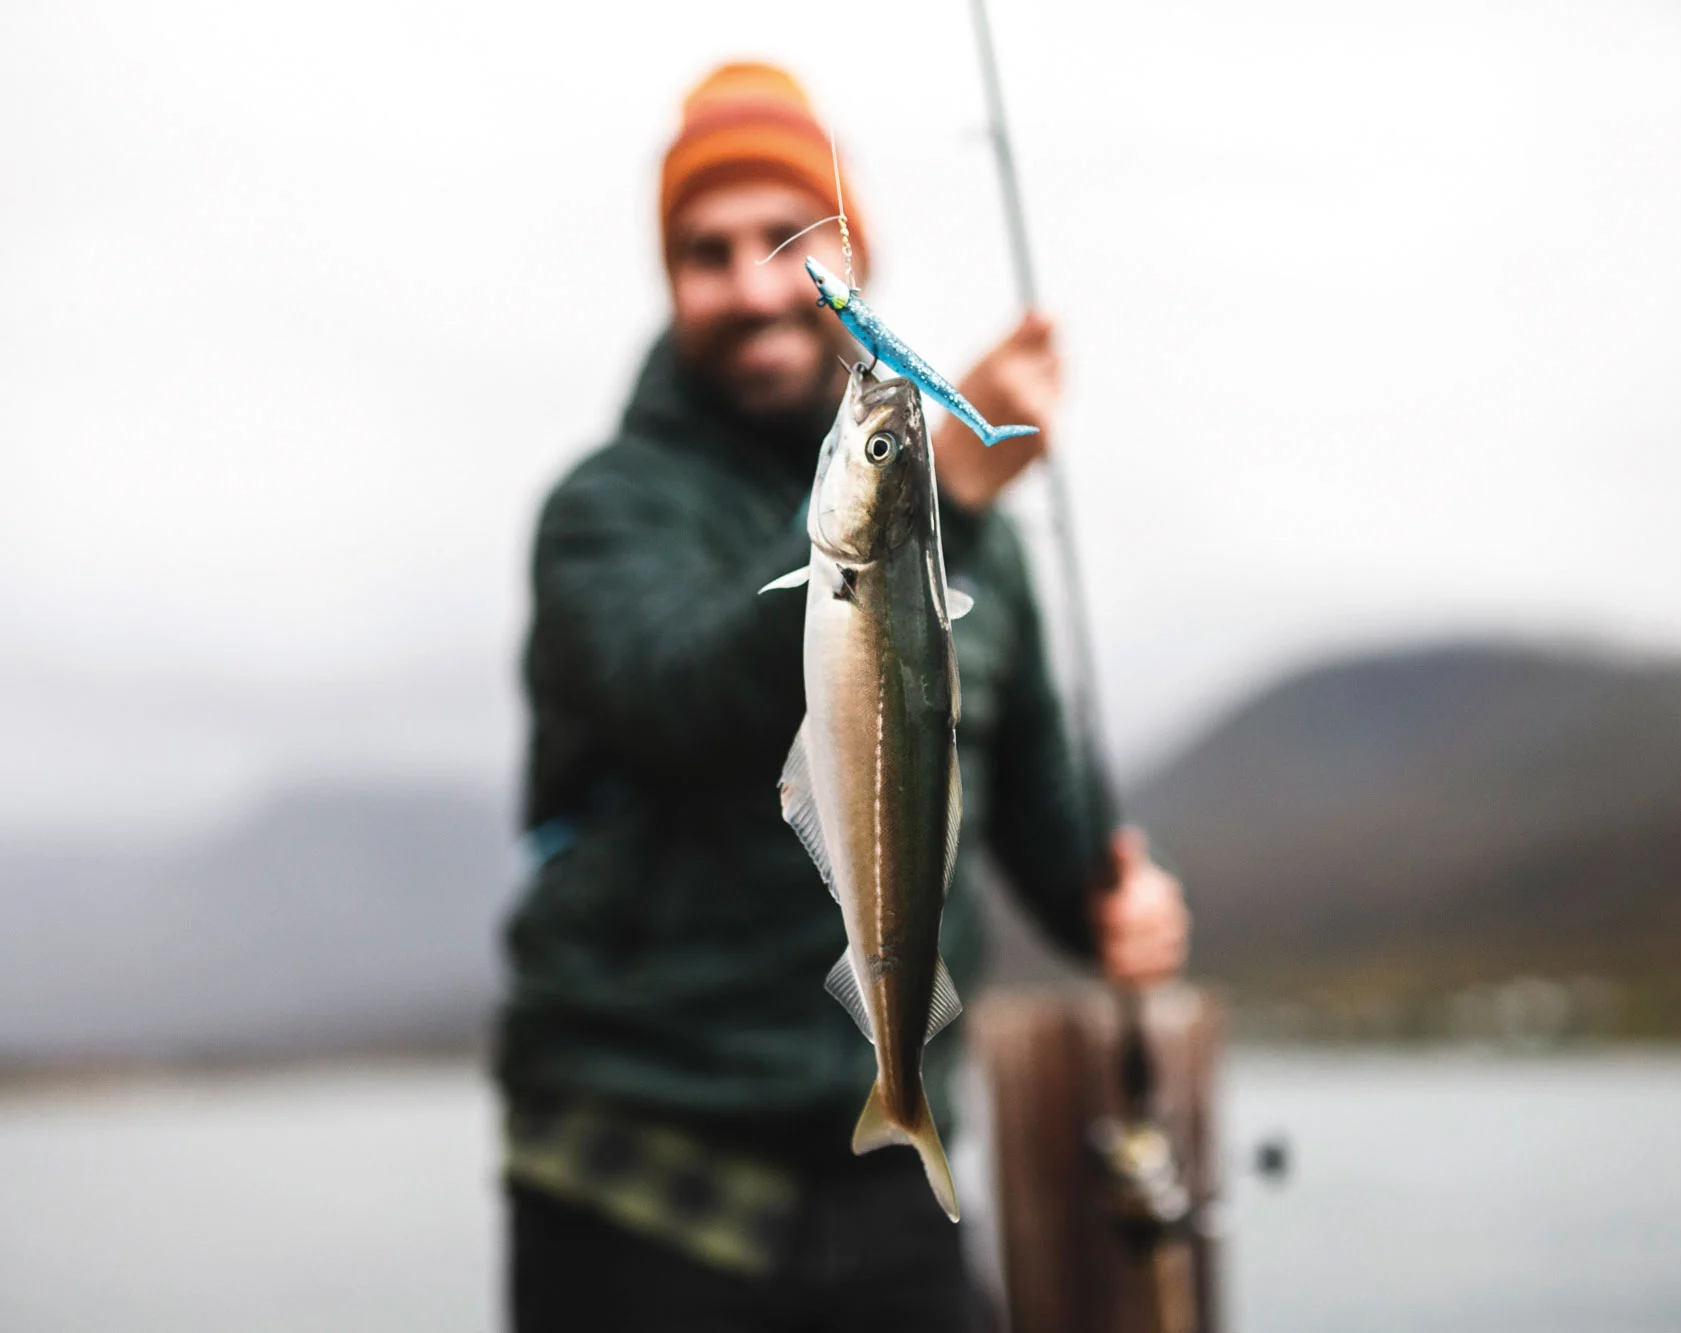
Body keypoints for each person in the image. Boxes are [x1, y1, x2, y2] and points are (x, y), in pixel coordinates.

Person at [497, 61, 1189, 1333]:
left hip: (883, 1189)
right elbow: (673, 693)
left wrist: (1114, 904)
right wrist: (942, 501)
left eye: (784, 241)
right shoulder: (605, 511)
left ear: (847, 258)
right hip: (633, 1188)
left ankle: (897, 1092)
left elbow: (1033, 801)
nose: (755, 285)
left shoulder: (968, 539)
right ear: (669, 280)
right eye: (707, 251)